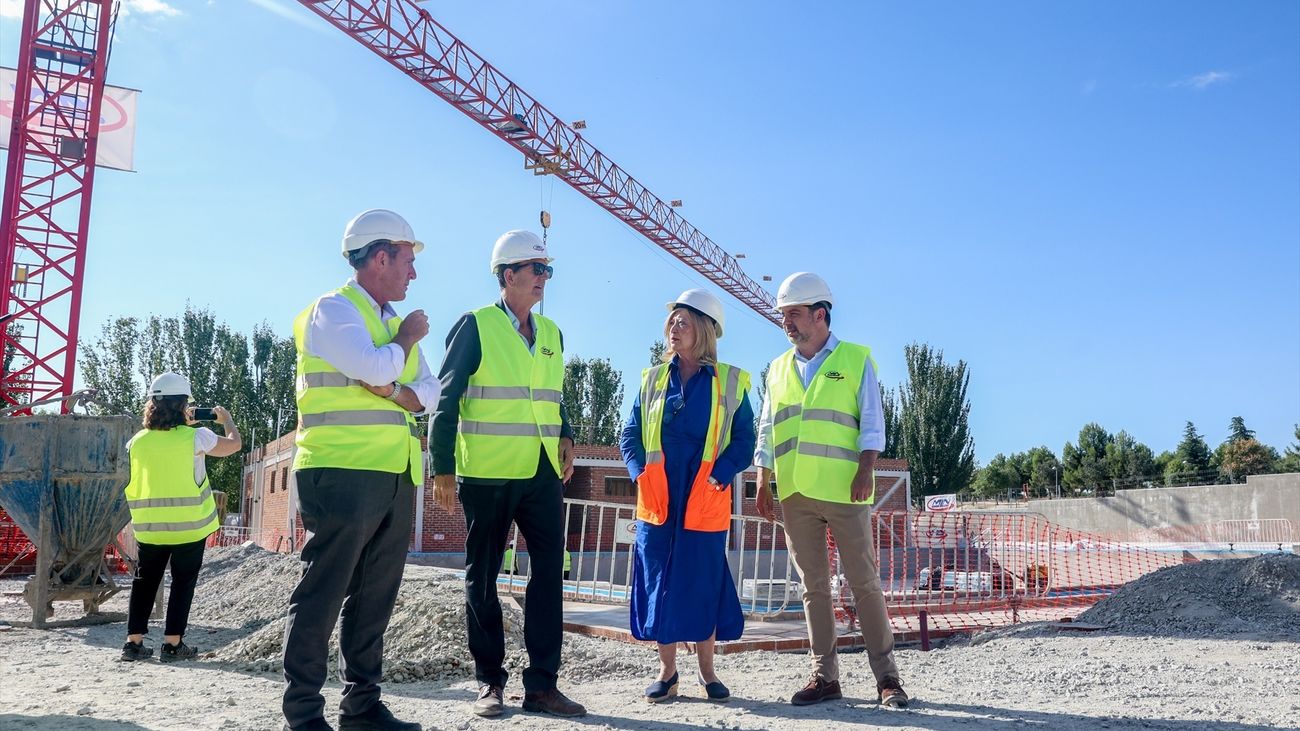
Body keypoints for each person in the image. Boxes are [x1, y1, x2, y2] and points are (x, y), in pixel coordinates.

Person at [282, 209, 440, 731]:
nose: (413, 274)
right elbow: (373, 367)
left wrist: (395, 386)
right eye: (408, 260)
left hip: (392, 473)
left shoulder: (388, 324)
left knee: (374, 595)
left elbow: (427, 396)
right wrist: (407, 343)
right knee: (324, 593)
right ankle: (303, 713)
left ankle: (362, 706)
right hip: (340, 470)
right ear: (379, 256)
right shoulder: (334, 310)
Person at [429, 229, 585, 719]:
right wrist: (443, 466)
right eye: (537, 269)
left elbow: (553, 396)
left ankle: (542, 686)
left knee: (548, 578)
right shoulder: (475, 326)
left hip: (541, 472)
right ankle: (489, 683)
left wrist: (568, 433)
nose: (544, 278)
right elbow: (445, 399)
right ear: (508, 274)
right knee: (483, 578)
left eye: (547, 270)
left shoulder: (553, 334)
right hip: (488, 473)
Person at [754, 272, 909, 709]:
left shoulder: (856, 360)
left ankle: (887, 678)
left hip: (845, 488)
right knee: (813, 587)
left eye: (795, 314)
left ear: (820, 315)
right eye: (784, 315)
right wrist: (763, 480)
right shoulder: (778, 368)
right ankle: (825, 676)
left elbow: (872, 422)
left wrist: (867, 469)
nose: (787, 322)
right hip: (796, 493)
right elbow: (766, 429)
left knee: (864, 583)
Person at [619, 289, 755, 703]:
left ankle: (708, 674)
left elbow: (744, 440)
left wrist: (722, 474)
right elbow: (629, 434)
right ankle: (667, 672)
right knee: (659, 584)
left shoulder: (731, 382)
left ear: (706, 330)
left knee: (703, 583)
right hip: (659, 499)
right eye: (671, 322)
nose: (674, 328)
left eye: (684, 321)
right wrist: (638, 473)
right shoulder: (651, 379)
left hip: (704, 498)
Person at [120, 372, 241, 664]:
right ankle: (172, 645)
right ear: (183, 405)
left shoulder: (136, 442)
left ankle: (133, 643)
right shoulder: (197, 437)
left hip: (150, 528)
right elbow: (233, 444)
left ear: (152, 404)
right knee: (183, 583)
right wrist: (226, 421)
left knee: (144, 581)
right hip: (189, 526)